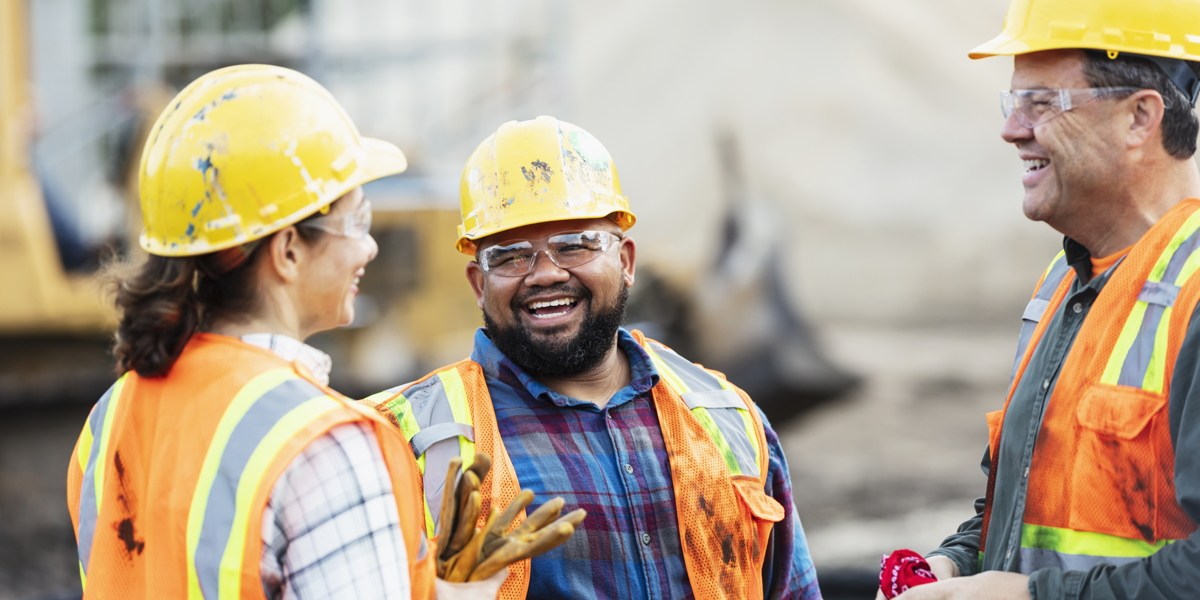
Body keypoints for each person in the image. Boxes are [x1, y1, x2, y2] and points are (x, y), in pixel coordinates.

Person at [65, 65, 561, 600]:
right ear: (288, 251)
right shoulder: (326, 442)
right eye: (357, 222)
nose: (369, 248)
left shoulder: (111, 415)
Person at [361, 116, 821, 600]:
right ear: (479, 284)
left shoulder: (728, 415)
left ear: (625, 262)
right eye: (511, 256)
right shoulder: (398, 440)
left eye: (575, 246)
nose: (543, 274)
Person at [886, 1, 1200, 599]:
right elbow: (1024, 517)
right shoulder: (1063, 282)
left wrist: (1026, 597)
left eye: (1042, 102)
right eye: (1013, 102)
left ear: (1140, 116)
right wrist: (953, 566)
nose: (1012, 128)